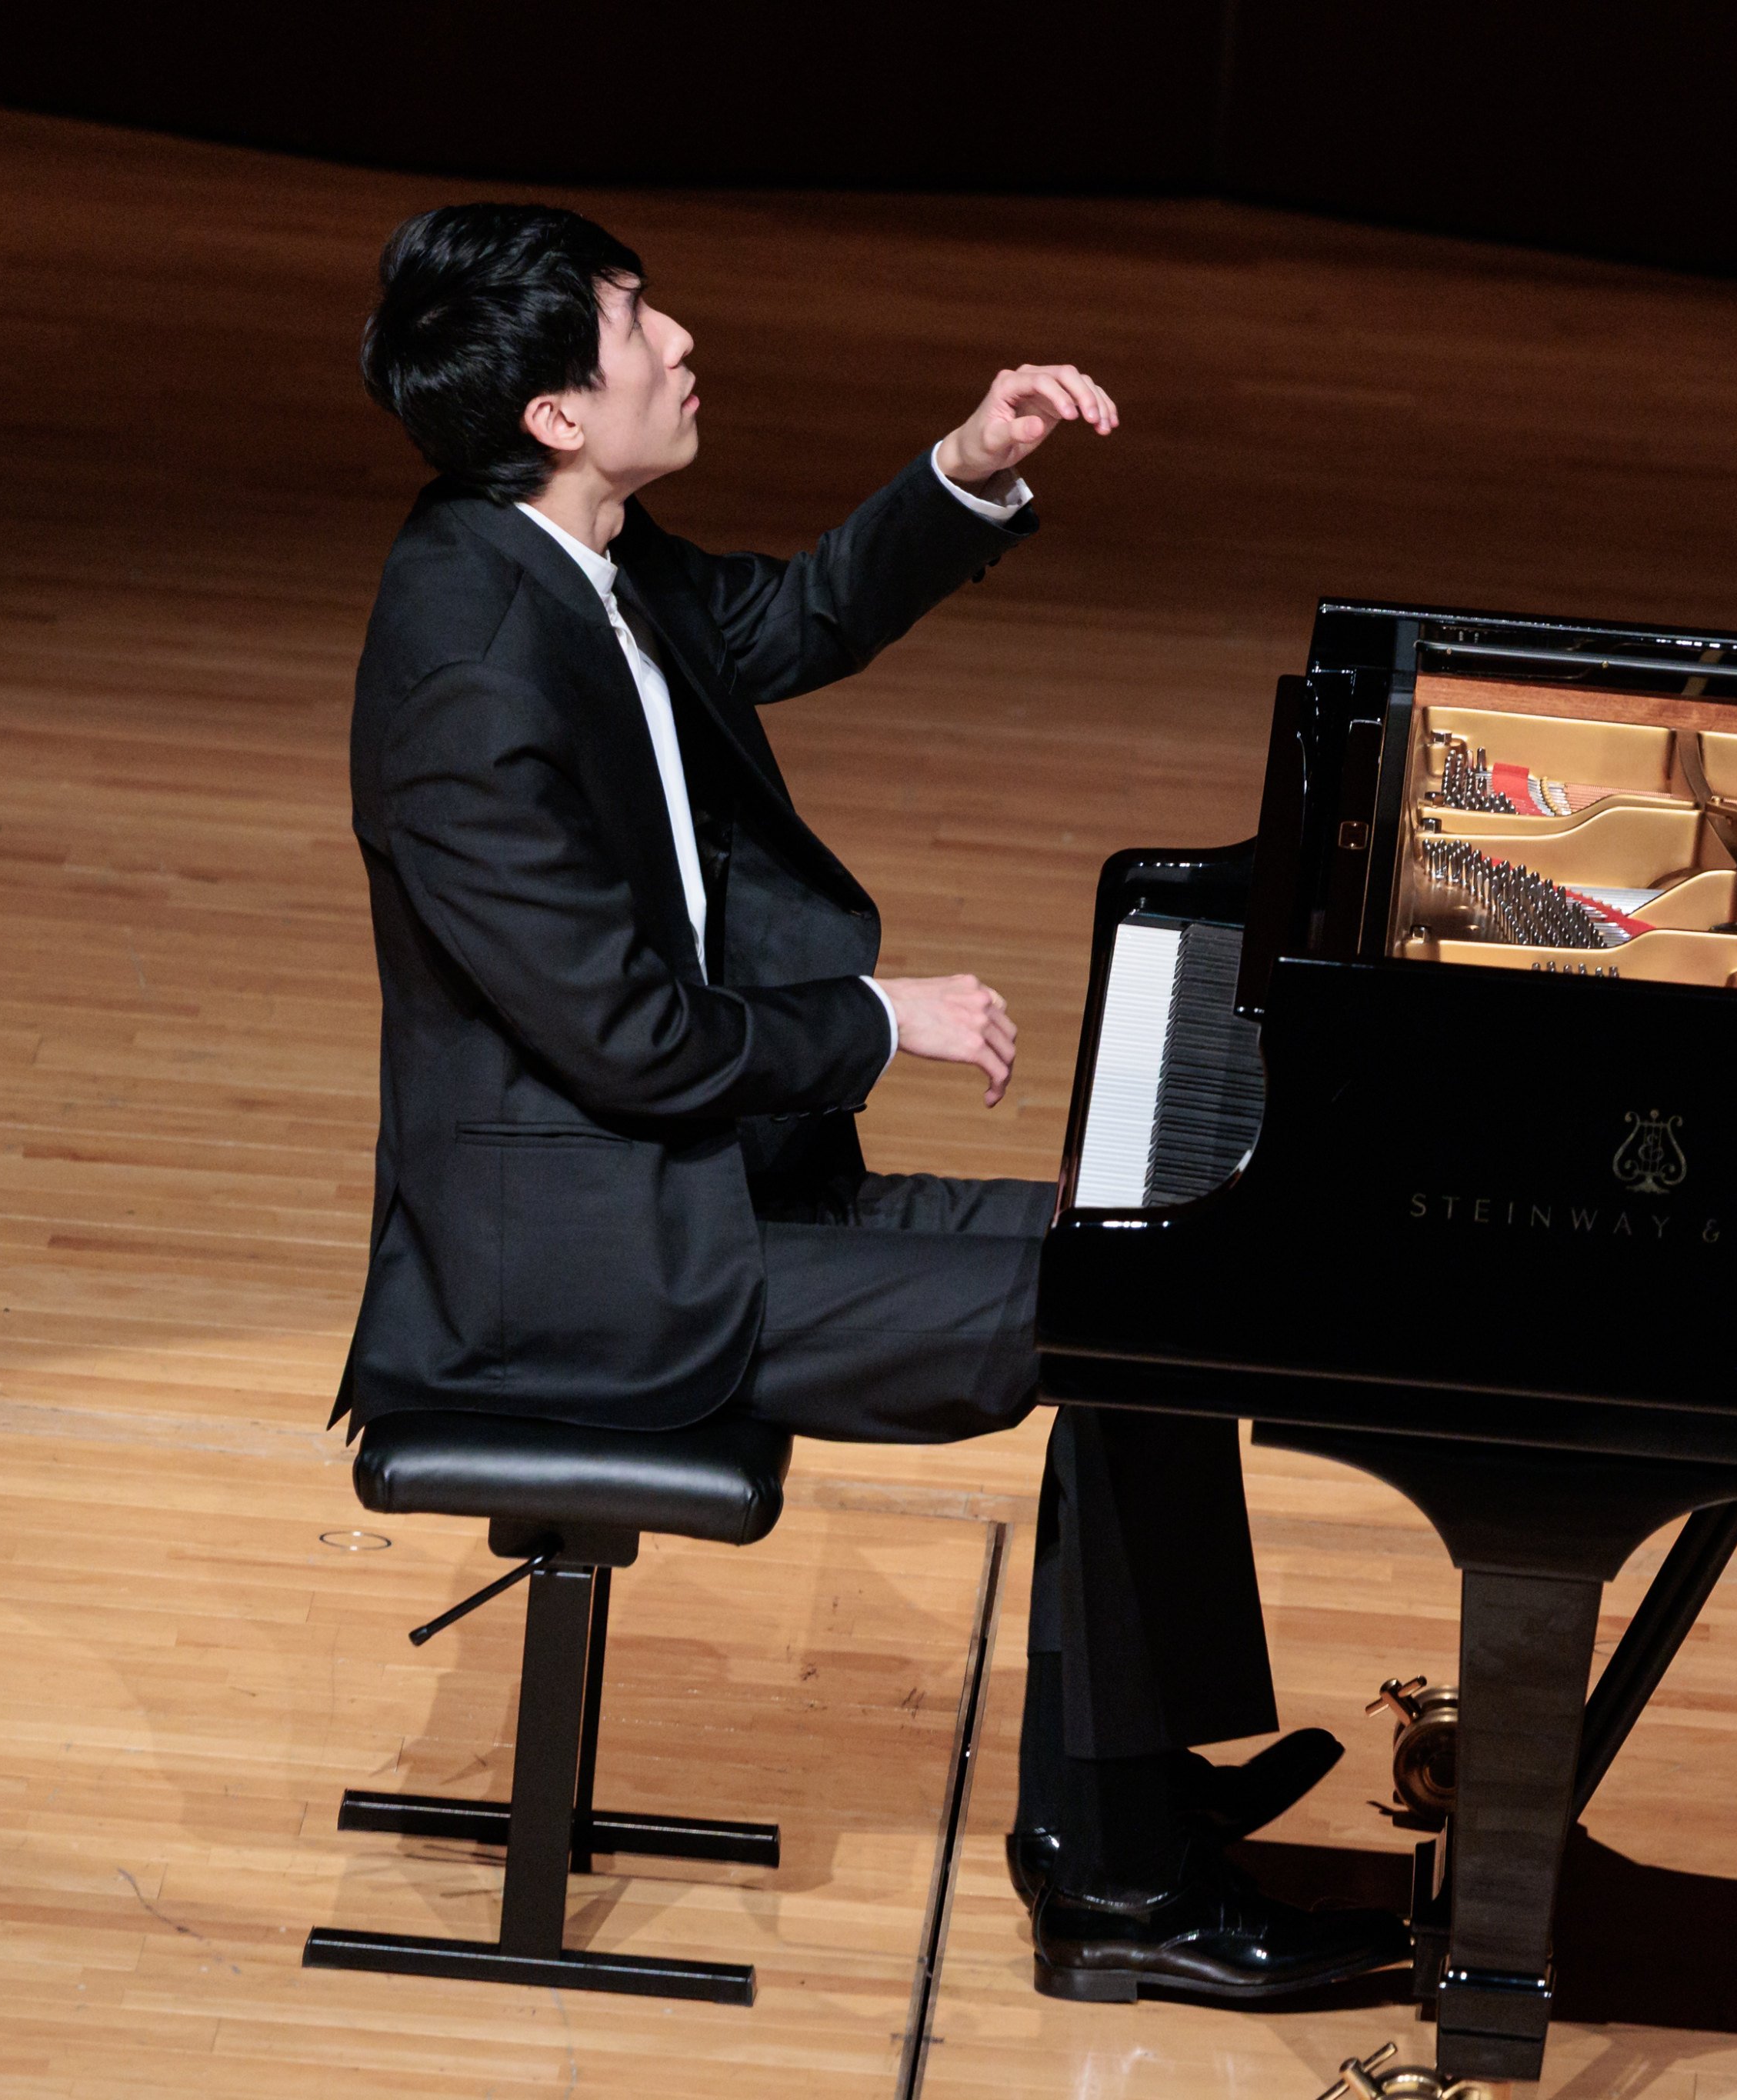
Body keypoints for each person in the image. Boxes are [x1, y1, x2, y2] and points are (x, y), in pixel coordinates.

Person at [338, 202, 1405, 2001]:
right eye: (632, 325)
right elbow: (630, 1041)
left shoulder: (569, 553)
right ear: (549, 415)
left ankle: (1132, 1804)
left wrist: (968, 468)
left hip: (711, 1190)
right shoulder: (468, 673)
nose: (677, 342)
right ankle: (1126, 1902)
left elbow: (787, 615)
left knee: (1139, 1262)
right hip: (589, 1270)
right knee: (1133, 1310)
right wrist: (874, 1018)